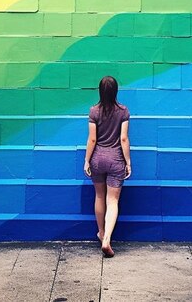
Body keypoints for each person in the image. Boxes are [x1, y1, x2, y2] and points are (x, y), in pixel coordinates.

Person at [84, 75, 131, 258]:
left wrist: (87, 160)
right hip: (116, 160)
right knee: (113, 201)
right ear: (116, 91)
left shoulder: (94, 111)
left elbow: (92, 139)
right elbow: (124, 139)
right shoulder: (123, 111)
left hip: (98, 159)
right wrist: (128, 162)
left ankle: (101, 232)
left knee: (99, 196)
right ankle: (107, 240)